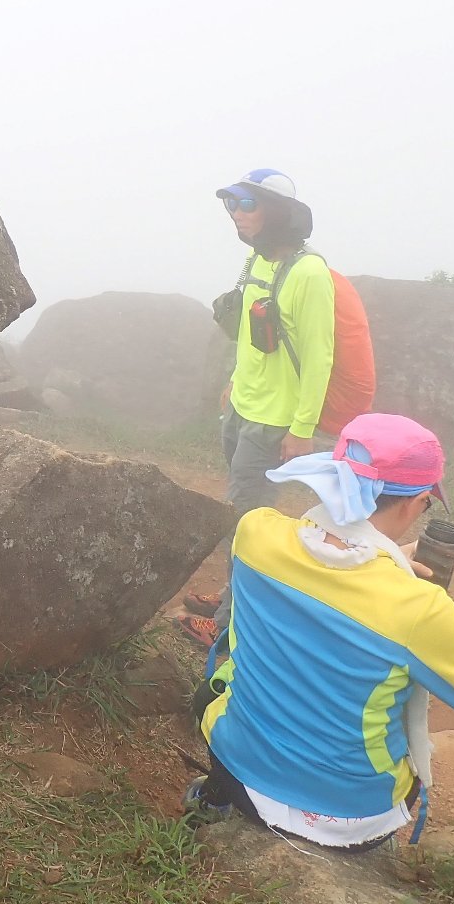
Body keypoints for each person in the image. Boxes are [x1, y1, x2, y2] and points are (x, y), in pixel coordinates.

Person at [186, 413, 454, 852]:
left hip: (237, 765)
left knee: (219, 687)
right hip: (347, 815)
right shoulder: (418, 608)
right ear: (416, 502)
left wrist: (380, 555)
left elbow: (317, 565)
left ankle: (214, 798)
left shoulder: (255, 532)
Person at [179, 168, 334, 646]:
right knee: (241, 513)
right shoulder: (257, 262)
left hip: (273, 422)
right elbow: (253, 335)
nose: (236, 214)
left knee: (247, 523)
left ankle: (229, 627)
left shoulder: (309, 273)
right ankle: (231, 596)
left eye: (247, 203)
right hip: (242, 408)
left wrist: (302, 427)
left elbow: (319, 356)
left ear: (279, 211)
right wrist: (234, 381)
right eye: (231, 204)